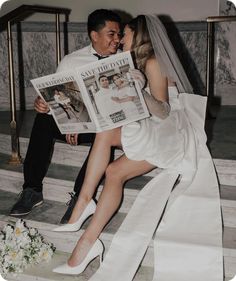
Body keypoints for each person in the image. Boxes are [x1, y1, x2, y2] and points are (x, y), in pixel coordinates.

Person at [53, 15, 223, 281]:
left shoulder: (154, 62)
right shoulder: (133, 62)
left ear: (139, 35)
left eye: (126, 34)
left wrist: (140, 90)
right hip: (150, 127)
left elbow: (165, 112)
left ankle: (84, 216)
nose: (121, 39)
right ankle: (85, 231)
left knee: (112, 165)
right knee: (110, 161)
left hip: (170, 134)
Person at [9, 9, 122, 223]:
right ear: (94, 35)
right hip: (79, 124)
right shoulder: (72, 61)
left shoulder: (124, 60)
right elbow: (58, 99)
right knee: (43, 119)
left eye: (119, 34)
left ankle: (81, 198)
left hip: (108, 129)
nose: (117, 39)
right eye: (111, 34)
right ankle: (32, 190)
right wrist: (44, 105)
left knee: (104, 134)